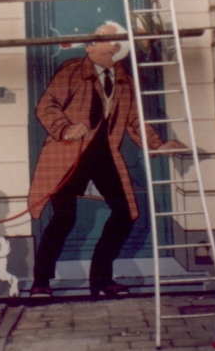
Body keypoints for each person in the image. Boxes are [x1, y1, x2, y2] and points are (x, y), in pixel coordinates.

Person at [27, 21, 187, 299]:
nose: (91, 38)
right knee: (64, 218)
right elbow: (47, 105)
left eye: (99, 36)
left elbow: (135, 122)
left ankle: (101, 279)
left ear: (115, 47)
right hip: (67, 154)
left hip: (104, 155)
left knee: (125, 214)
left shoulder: (124, 81)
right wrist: (65, 127)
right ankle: (41, 281)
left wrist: (159, 145)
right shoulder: (72, 71)